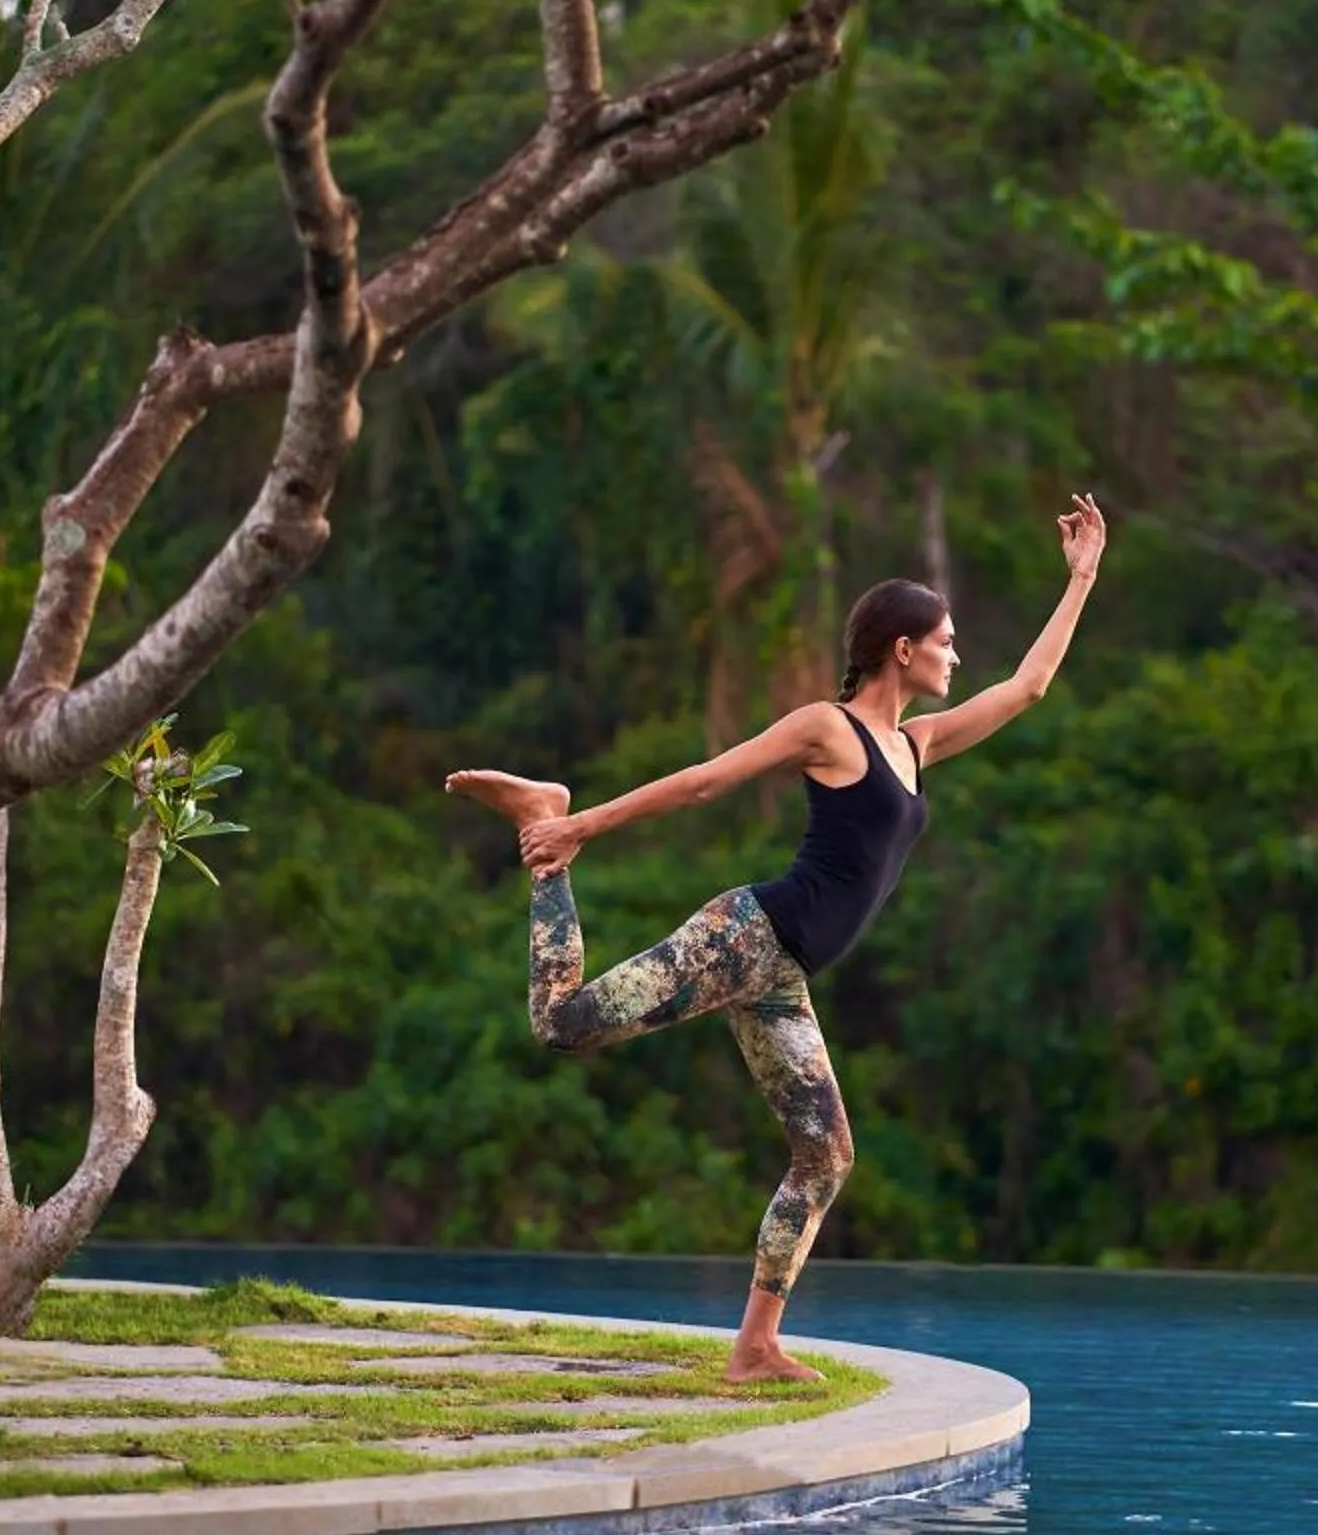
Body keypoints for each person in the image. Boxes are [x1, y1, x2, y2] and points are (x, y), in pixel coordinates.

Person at [447, 493, 1107, 1380]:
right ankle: (546, 824)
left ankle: (755, 1349)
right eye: (946, 642)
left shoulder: (915, 746)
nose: (958, 655)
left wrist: (1082, 577)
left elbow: (1025, 688)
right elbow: (701, 783)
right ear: (903, 649)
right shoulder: (826, 729)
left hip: (781, 976)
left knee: (826, 1154)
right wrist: (581, 831)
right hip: (744, 939)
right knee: (561, 1025)